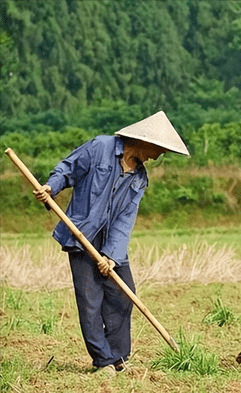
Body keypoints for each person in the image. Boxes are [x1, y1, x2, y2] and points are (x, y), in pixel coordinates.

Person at [33, 111, 189, 375]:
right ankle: (103, 361)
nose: (159, 155)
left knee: (122, 294)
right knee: (90, 300)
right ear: (144, 141)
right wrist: (51, 187)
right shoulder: (100, 147)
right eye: (159, 149)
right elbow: (67, 169)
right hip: (82, 232)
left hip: (111, 242)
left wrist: (112, 257)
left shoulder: (140, 178)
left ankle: (118, 358)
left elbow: (125, 220)